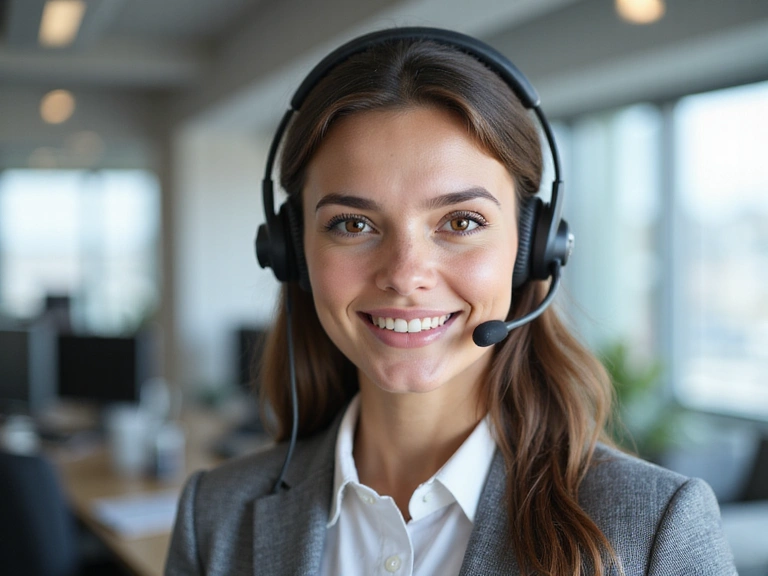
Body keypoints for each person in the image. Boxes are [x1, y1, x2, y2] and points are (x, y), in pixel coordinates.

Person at [166, 28, 736, 576]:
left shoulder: (655, 531)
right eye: (353, 223)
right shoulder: (215, 515)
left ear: (534, 247)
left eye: (461, 221)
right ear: (290, 250)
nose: (405, 274)